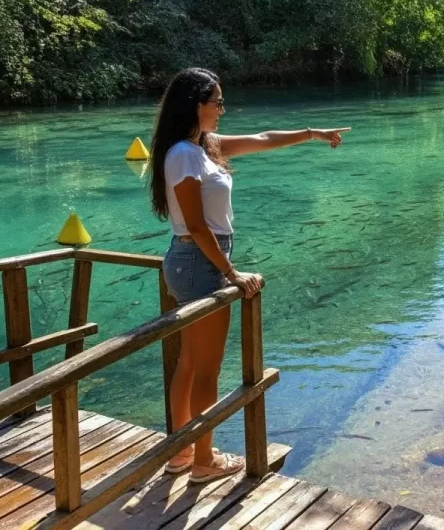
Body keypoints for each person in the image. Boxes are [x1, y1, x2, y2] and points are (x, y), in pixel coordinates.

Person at [149, 67, 350, 483]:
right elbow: (197, 225)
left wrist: (313, 132)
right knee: (205, 368)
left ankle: (182, 451)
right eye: (217, 101)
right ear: (196, 104)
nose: (223, 108)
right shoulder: (184, 155)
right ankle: (204, 460)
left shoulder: (202, 147)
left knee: (188, 363)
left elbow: (262, 139)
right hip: (202, 261)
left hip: (191, 261)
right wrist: (232, 273)